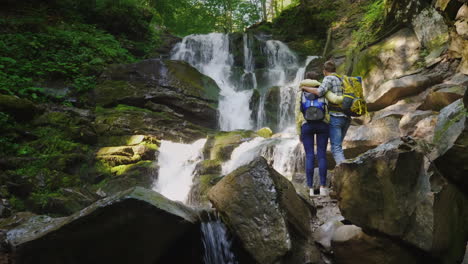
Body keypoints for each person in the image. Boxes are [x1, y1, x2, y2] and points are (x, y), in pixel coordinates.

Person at [301, 60, 350, 165]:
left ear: (324, 71)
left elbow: (319, 92)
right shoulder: (341, 79)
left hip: (336, 117)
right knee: (338, 146)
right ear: (335, 70)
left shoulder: (328, 79)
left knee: (336, 148)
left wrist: (304, 88)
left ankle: (346, 173)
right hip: (347, 117)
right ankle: (346, 169)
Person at [296, 72, 330, 196]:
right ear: (317, 80)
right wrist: (328, 124)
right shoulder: (322, 90)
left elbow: (297, 114)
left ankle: (310, 188)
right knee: (321, 155)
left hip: (306, 125)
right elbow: (327, 110)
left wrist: (299, 131)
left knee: (309, 155)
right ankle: (322, 187)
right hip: (322, 125)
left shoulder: (300, 92)